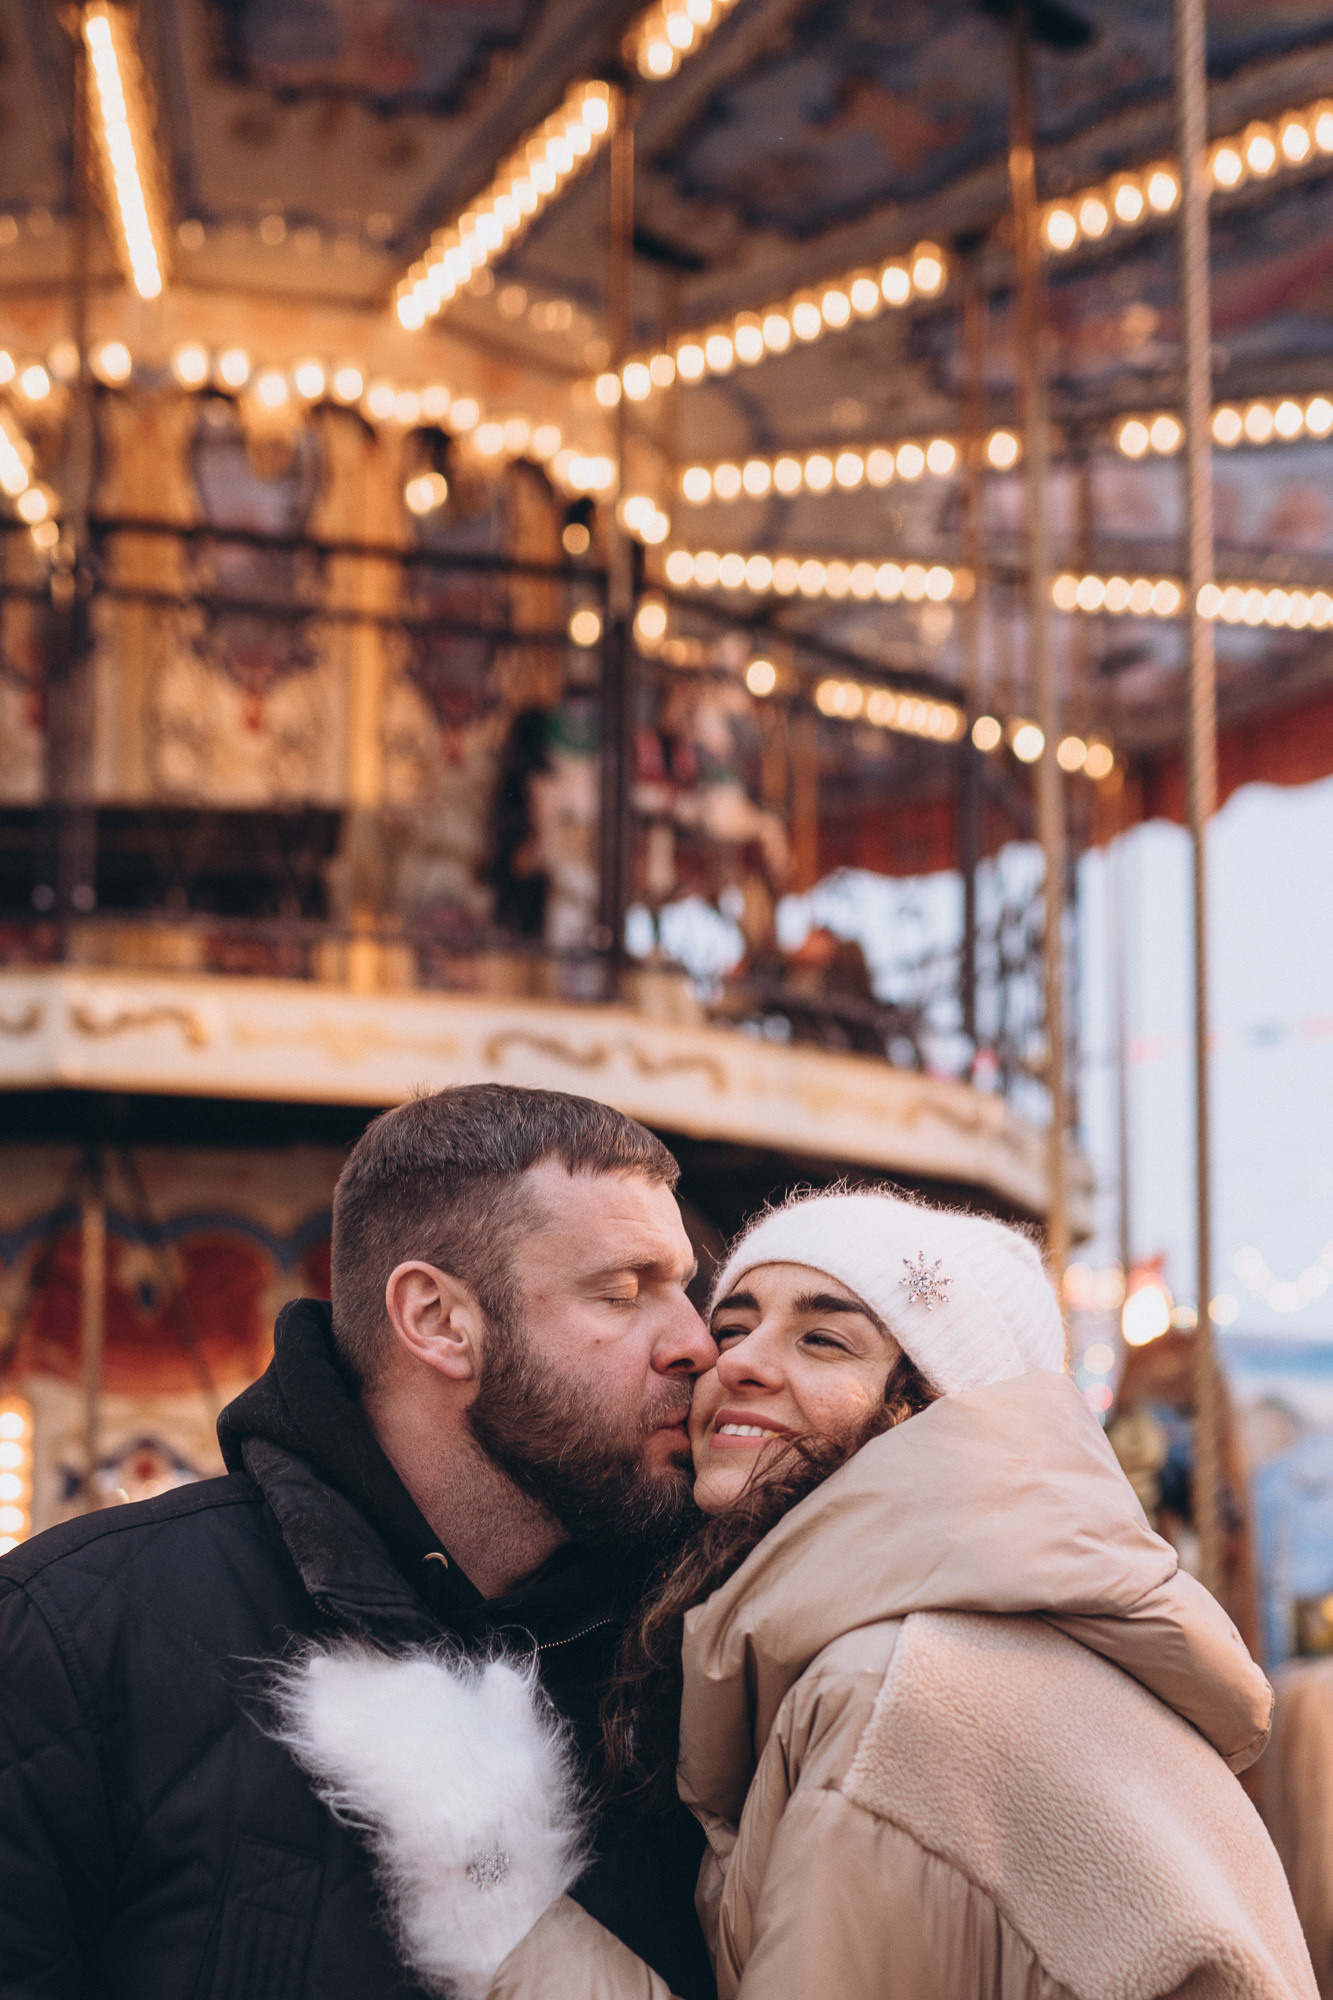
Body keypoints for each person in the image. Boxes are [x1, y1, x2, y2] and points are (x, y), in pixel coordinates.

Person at [277, 1188, 1315, 2000]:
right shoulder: (947, 1637)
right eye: (733, 1326)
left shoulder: (895, 1696)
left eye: (824, 1338)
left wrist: (488, 1867)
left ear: (927, 1409)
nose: (739, 1367)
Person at [0, 1084, 719, 2000]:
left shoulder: (694, 1661)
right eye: (621, 1292)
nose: (698, 1343)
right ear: (436, 1320)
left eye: (687, 1293)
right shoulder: (71, 1636)